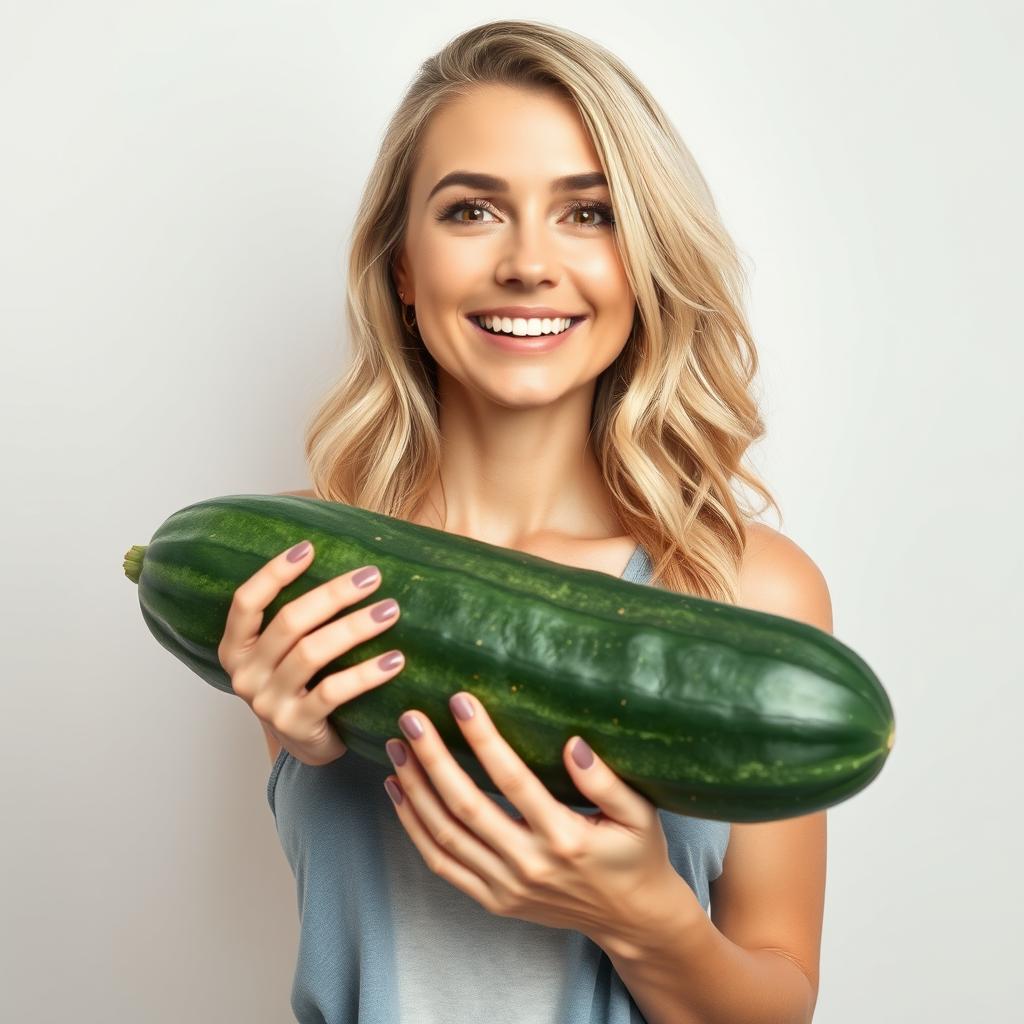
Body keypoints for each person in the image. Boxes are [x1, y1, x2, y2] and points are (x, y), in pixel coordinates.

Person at [218, 19, 830, 1024]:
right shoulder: (302, 572)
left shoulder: (748, 589)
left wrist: (643, 916)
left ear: (641, 260)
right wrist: (304, 744)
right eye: (471, 211)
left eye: (587, 213)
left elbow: (780, 1002)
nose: (529, 264)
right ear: (403, 267)